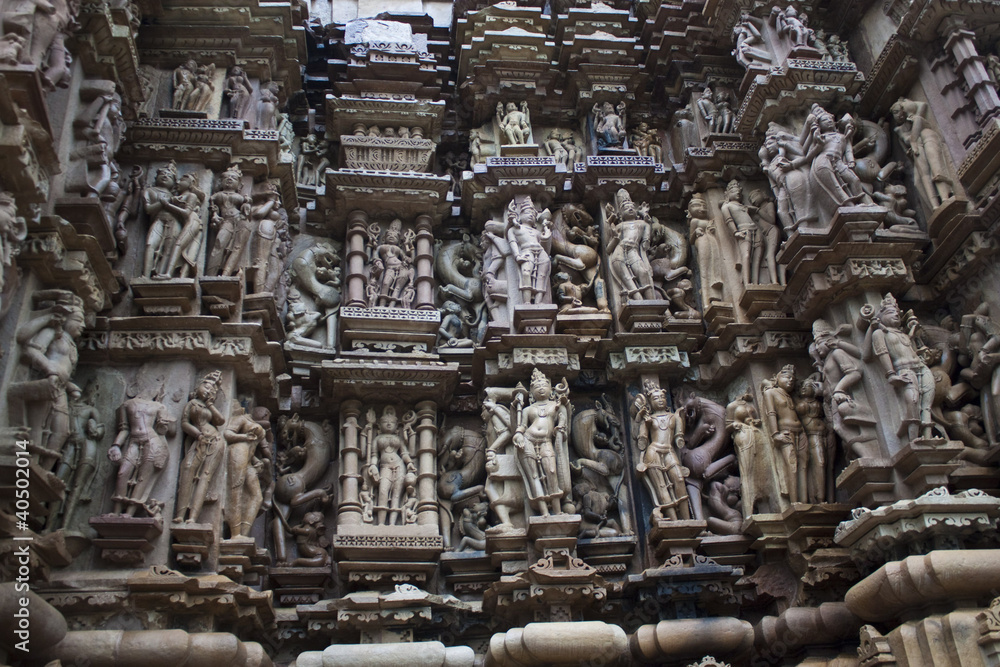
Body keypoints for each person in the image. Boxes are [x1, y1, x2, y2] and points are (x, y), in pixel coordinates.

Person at [108, 386, 176, 517]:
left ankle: (129, 512)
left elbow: (166, 431)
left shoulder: (159, 406)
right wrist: (116, 445)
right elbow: (124, 428)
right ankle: (116, 510)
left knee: (143, 477)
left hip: (152, 441)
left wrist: (164, 424)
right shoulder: (127, 404)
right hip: (133, 440)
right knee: (123, 472)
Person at [511, 369, 569, 517]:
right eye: (537, 386)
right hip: (528, 439)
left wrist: (561, 427)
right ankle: (544, 513)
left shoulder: (556, 404)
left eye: (544, 385)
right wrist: (518, 434)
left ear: (550, 389)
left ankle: (557, 511)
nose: (541, 388)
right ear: (531, 392)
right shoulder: (528, 409)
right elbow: (522, 426)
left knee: (551, 471)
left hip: (546, 441)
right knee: (534, 475)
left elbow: (563, 419)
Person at [173, 371, 227, 524]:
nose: (209, 390)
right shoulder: (192, 404)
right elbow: (184, 423)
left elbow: (220, 420)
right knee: (187, 469)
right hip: (199, 439)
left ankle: (193, 517)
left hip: (215, 441)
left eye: (212, 390)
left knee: (205, 476)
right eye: (206, 386)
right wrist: (197, 435)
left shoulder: (209, 407)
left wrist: (210, 403)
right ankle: (180, 514)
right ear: (198, 386)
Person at [634, 388, 690, 520]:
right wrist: (643, 422)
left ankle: (687, 519)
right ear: (649, 403)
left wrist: (681, 431)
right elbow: (641, 443)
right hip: (653, 452)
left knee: (679, 479)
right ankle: (674, 521)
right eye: (655, 398)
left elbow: (679, 440)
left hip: (669, 451)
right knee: (661, 486)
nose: (660, 400)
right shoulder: (649, 419)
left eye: (662, 397)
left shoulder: (674, 416)